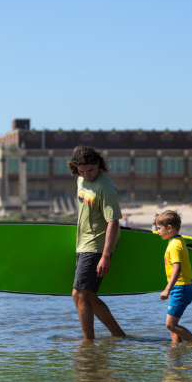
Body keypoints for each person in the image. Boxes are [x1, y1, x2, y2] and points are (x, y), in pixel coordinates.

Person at [67, 145, 126, 341]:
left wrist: (106, 255)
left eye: (90, 170)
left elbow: (113, 221)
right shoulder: (81, 180)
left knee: (79, 294)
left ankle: (88, 342)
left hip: (96, 246)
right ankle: (118, 335)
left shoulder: (105, 187)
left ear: (98, 164)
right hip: (82, 243)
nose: (87, 175)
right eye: (82, 171)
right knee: (89, 296)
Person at [155, 209, 192, 346]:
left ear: (169, 228)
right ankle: (176, 349)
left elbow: (177, 268)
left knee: (170, 324)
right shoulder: (178, 240)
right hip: (181, 288)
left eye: (159, 228)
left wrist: (167, 289)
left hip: (180, 288)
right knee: (173, 324)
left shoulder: (174, 246)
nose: (157, 231)